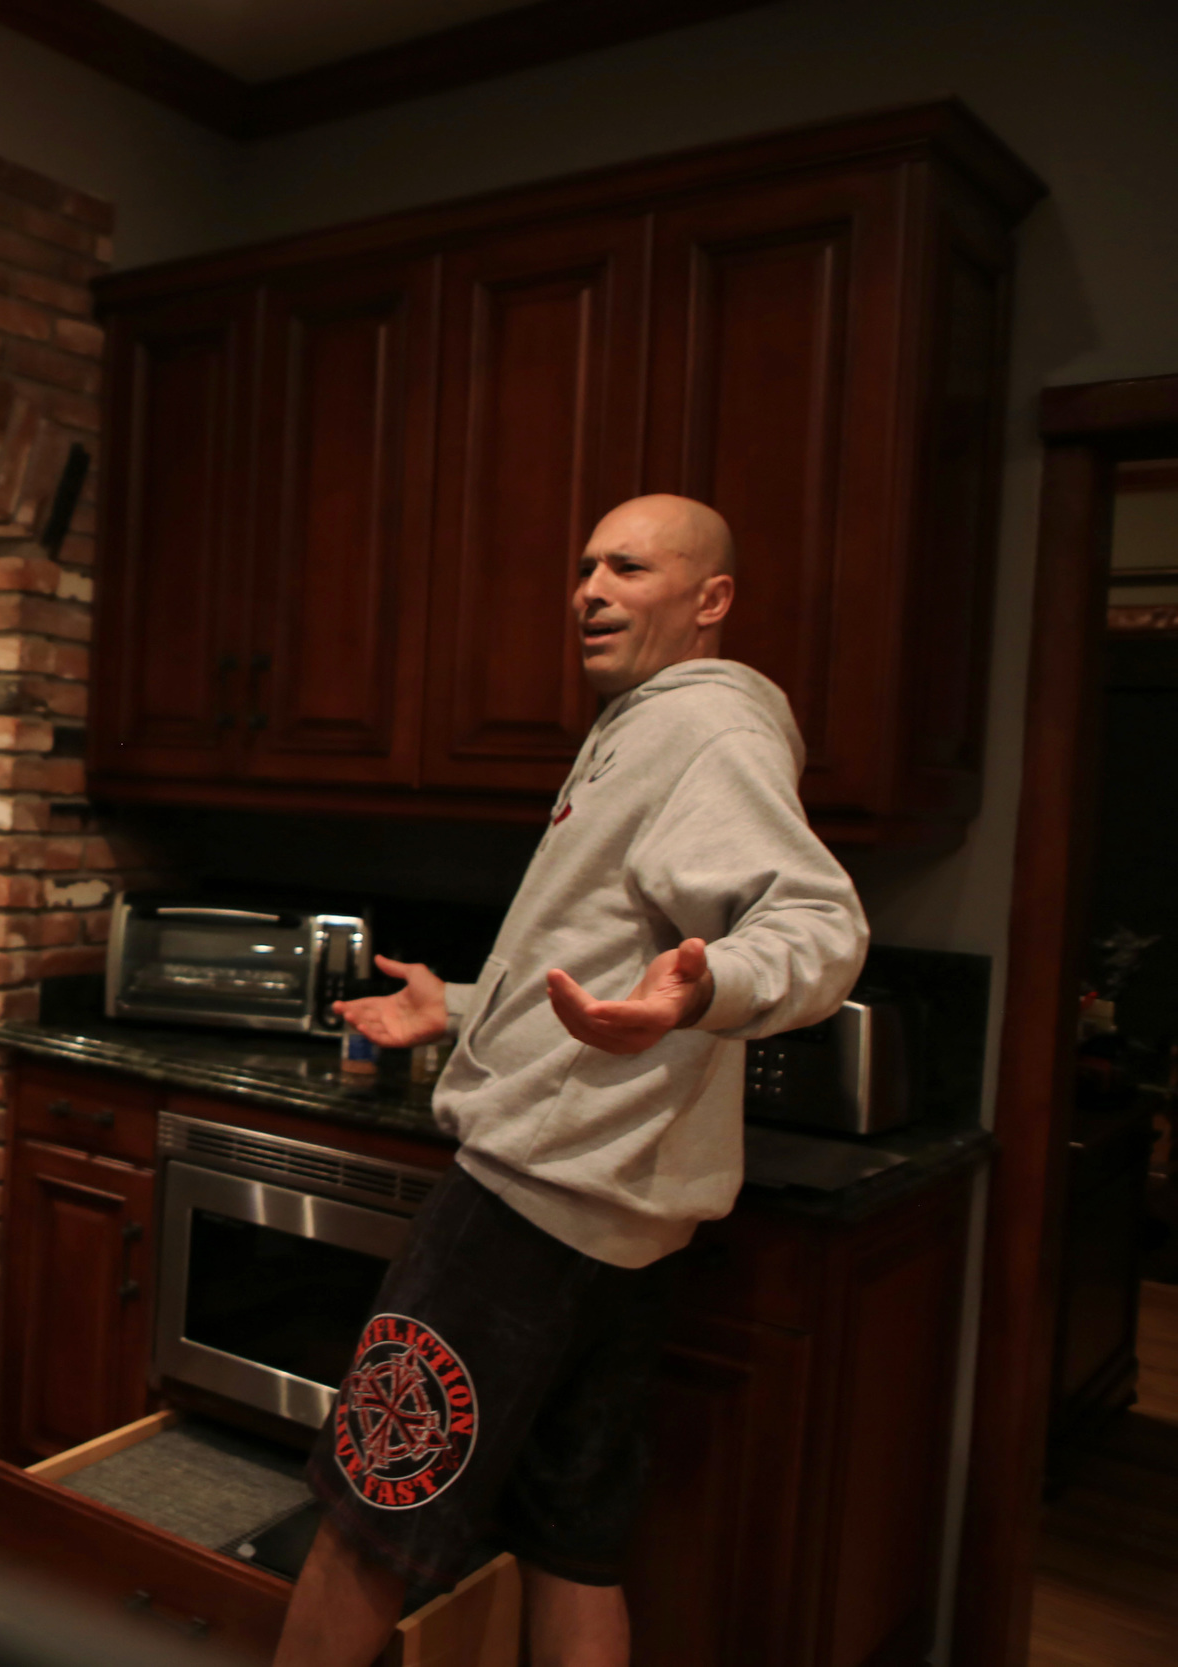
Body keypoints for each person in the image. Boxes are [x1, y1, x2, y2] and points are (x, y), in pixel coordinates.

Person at [273, 495, 867, 1666]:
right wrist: (468, 1008)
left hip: (525, 1205)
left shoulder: (706, 733)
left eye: (628, 566)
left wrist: (704, 986)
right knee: (573, 1538)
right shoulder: (642, 725)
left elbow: (815, 918)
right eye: (585, 565)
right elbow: (597, 941)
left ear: (711, 601)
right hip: (624, 1222)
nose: (588, 586)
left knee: (367, 1511)